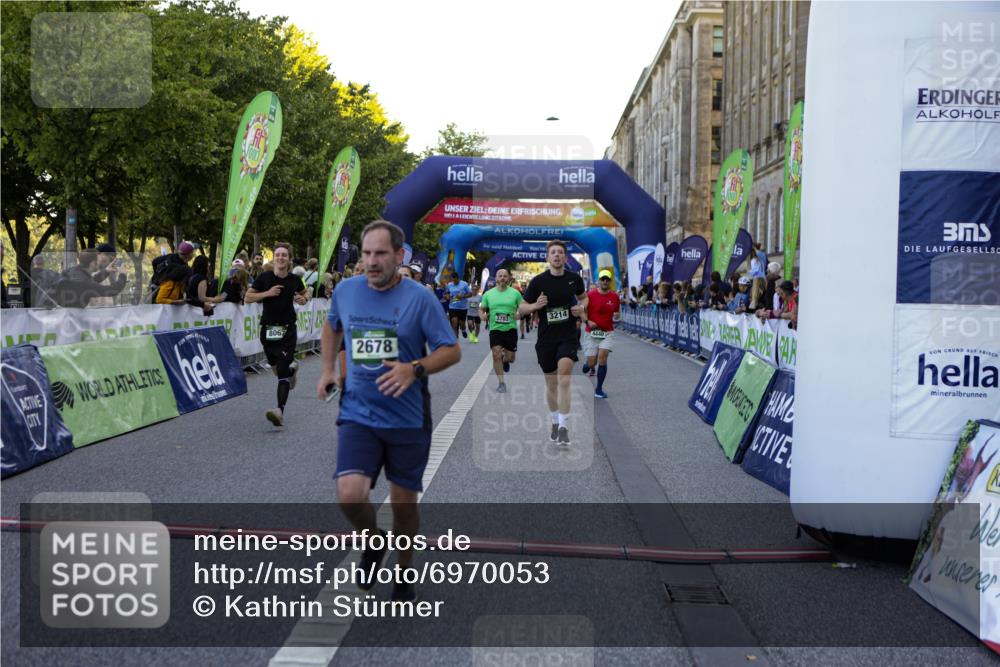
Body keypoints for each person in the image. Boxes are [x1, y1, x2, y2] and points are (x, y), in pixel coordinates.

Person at [317, 220, 460, 603]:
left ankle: (404, 569)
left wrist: (413, 369)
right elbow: (331, 327)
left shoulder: (420, 298)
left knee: (403, 505)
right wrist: (329, 368)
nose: (371, 262)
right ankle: (373, 541)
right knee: (349, 493)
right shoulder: (346, 291)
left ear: (399, 256)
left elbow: (451, 349)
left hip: (407, 419)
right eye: (366, 253)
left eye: (380, 254)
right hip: (358, 412)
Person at [517, 240, 588, 448]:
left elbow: (584, 299)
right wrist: (534, 306)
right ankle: (555, 423)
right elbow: (521, 309)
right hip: (546, 339)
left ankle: (564, 427)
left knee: (564, 378)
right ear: (547, 257)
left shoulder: (575, 280)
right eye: (553, 253)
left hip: (568, 336)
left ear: (565, 258)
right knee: (551, 384)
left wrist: (581, 309)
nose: (557, 255)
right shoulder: (538, 281)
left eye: (560, 253)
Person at [244, 243, 309, 427]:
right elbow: (248, 297)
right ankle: (291, 370)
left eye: (284, 255)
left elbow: (305, 295)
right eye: (278, 255)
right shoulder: (264, 277)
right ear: (274, 258)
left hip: (287, 330)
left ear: (289, 259)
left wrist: (302, 299)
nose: (280, 258)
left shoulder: (295, 279)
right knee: (276, 368)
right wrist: (267, 293)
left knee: (280, 372)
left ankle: (279, 410)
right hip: (268, 329)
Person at [479, 268, 522, 393]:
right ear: (496, 278)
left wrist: (519, 313)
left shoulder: (515, 294)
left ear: (508, 278)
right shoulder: (488, 294)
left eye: (505, 276)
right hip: (495, 329)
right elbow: (482, 309)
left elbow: (522, 306)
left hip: (510, 329)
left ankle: (506, 361)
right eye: (500, 276)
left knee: (511, 358)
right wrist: (482, 315)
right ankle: (501, 383)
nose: (502, 278)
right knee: (496, 355)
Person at [581, 269, 621, 399]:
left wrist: (616, 316)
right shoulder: (590, 295)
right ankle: (588, 365)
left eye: (607, 279)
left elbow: (616, 313)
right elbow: (582, 311)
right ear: (599, 281)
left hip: (607, 332)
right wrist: (588, 321)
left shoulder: (615, 297)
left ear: (610, 281)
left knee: (602, 358)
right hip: (592, 332)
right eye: (602, 279)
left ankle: (599, 389)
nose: (604, 281)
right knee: (592, 363)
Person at [57, 248, 128, 308]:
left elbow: (88, 283)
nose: (100, 262)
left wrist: (106, 271)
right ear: (92, 263)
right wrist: (123, 275)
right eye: (98, 261)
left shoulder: (72, 271)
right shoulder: (85, 284)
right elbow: (112, 290)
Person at [446, 273, 473, 340]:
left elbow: (470, 294)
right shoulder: (449, 285)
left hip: (462, 307)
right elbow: (447, 294)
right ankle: (455, 338)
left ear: (458, 278)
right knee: (454, 322)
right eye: (453, 281)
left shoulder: (464, 284)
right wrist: (447, 296)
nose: (454, 282)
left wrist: (463, 296)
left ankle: (463, 330)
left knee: (462, 324)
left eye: (455, 281)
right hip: (452, 307)